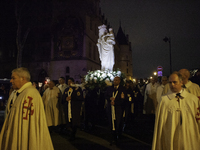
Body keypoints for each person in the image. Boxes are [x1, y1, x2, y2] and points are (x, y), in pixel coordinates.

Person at [0, 67, 54, 150]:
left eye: (13, 78)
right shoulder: (21, 92)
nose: (11, 81)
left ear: (23, 78)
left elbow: (28, 126)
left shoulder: (30, 94)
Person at [152, 72, 200, 150]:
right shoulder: (164, 100)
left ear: (181, 82)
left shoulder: (192, 99)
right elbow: (160, 123)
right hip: (170, 135)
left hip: (188, 136)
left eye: (175, 82)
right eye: (170, 82)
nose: (172, 85)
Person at [105, 76, 127, 145]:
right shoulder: (110, 88)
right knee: (111, 123)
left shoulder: (122, 89)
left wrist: (116, 102)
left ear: (119, 81)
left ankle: (119, 136)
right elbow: (106, 95)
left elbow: (123, 99)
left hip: (118, 109)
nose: (115, 81)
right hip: (111, 108)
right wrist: (110, 98)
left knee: (118, 122)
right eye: (114, 80)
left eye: (117, 80)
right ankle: (113, 137)